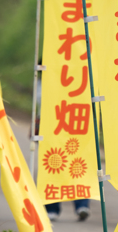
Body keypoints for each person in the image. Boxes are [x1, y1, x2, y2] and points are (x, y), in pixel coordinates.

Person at [33, 63, 91, 222]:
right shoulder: (42, 82)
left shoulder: (77, 75)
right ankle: (52, 207)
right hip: (52, 128)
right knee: (53, 165)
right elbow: (38, 104)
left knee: (77, 165)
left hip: (73, 126)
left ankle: (81, 205)